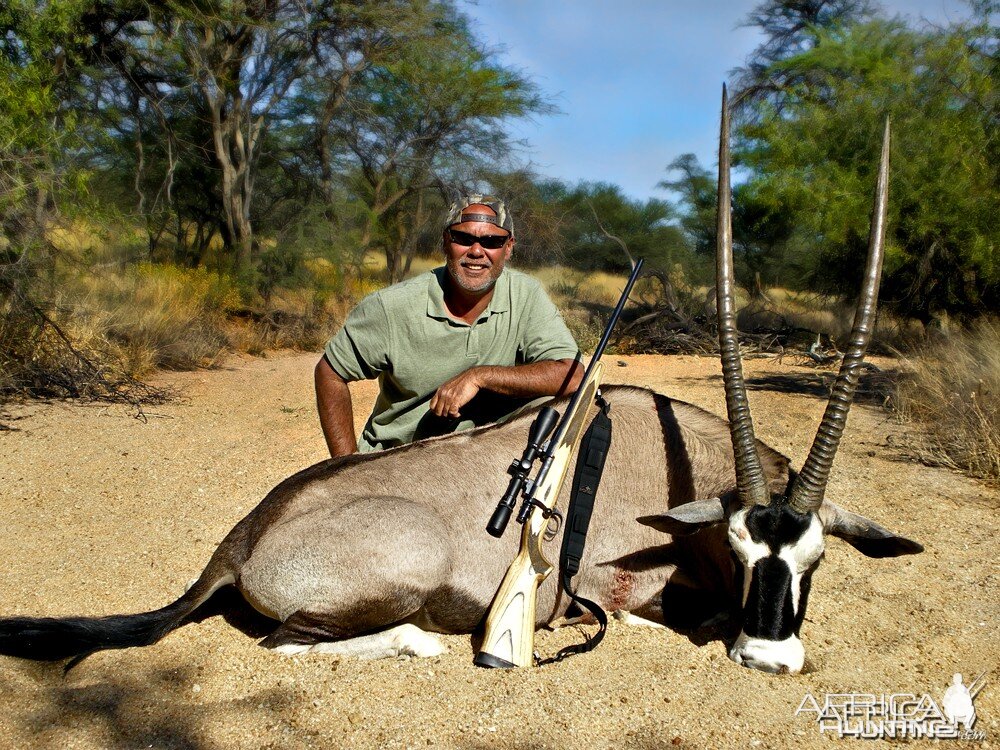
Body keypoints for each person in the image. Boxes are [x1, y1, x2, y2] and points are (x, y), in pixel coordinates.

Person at [315, 194, 583, 457]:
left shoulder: (526, 295)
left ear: (508, 247)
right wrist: (345, 464)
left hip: (486, 458)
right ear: (446, 241)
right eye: (464, 239)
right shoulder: (390, 307)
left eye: (491, 241)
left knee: (562, 409)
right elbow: (330, 373)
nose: (477, 251)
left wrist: (481, 376)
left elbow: (572, 376)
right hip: (399, 459)